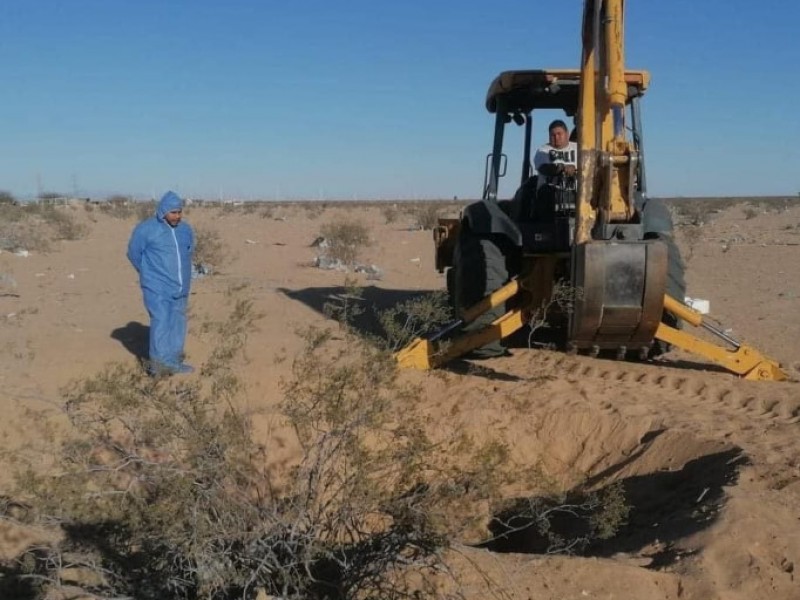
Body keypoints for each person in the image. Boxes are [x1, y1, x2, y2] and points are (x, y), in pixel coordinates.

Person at [127, 191, 195, 375]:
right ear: (163, 211)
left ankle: (173, 360)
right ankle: (159, 366)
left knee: (177, 321)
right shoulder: (146, 229)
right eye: (173, 212)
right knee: (162, 321)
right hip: (157, 287)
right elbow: (134, 253)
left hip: (181, 286)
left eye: (179, 212)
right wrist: (149, 273)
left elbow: (189, 252)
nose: (177, 216)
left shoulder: (185, 230)